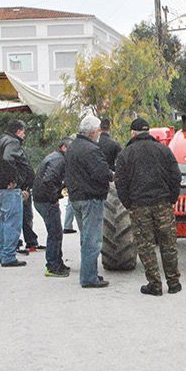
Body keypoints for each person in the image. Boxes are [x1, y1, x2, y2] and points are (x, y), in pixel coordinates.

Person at [114, 117, 182, 296]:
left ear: (133, 133)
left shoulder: (125, 154)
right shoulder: (164, 150)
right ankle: (174, 283)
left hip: (139, 206)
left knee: (146, 246)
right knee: (168, 244)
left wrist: (128, 203)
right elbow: (176, 176)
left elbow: (120, 183)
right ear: (148, 132)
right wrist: (172, 198)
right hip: (163, 204)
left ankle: (155, 285)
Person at [65, 115, 111, 288]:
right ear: (93, 131)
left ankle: (90, 273)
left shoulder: (72, 147)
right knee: (92, 240)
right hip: (91, 198)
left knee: (85, 238)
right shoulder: (91, 149)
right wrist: (112, 176)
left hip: (76, 198)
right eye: (98, 130)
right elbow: (102, 172)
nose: (100, 133)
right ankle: (89, 277)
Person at [0, 119, 34, 267]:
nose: (24, 135)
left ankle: (3, 253)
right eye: (23, 132)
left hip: (0, 189)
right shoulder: (13, 142)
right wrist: (14, 179)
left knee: (4, 222)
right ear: (18, 131)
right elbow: (8, 159)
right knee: (13, 223)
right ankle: (8, 256)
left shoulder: (0, 140)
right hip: (10, 189)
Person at [33, 138, 72, 277]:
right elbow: (48, 179)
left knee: (56, 232)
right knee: (55, 233)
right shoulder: (59, 160)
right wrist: (54, 197)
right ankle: (52, 266)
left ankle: (57, 262)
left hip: (41, 199)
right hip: (45, 201)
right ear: (63, 147)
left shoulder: (55, 157)